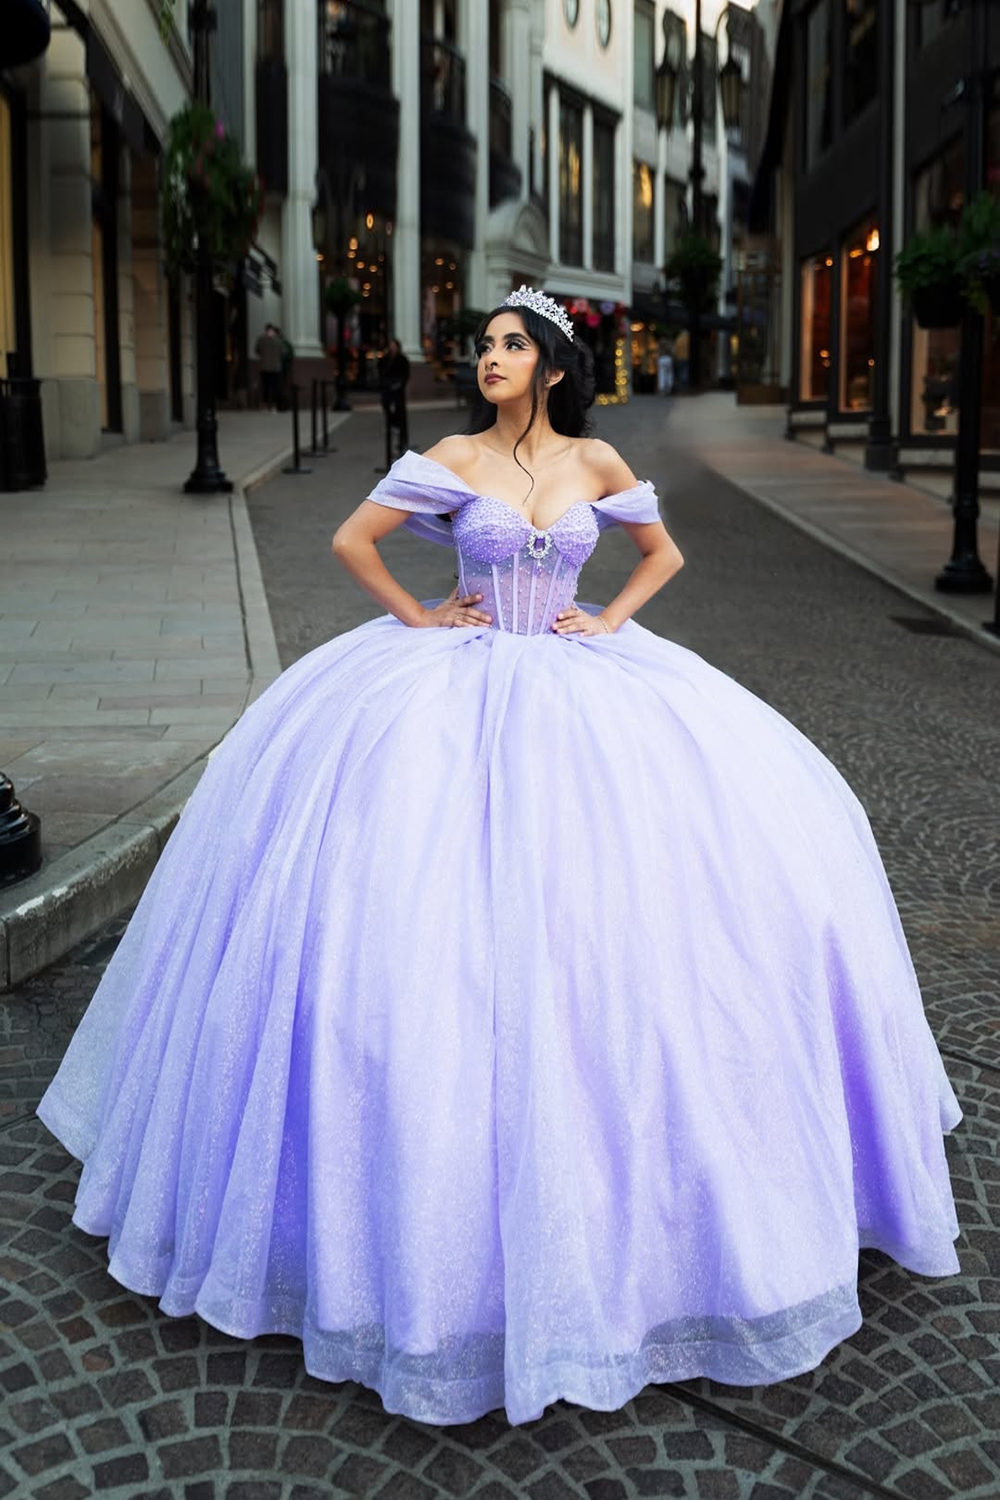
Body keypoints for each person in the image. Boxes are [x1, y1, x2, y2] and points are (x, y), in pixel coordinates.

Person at [37, 285, 960, 1430]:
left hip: (579, 680)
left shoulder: (596, 458)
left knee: (646, 913)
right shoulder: (449, 456)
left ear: (555, 364)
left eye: (512, 345)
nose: (490, 359)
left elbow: (661, 553)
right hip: (451, 682)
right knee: (423, 922)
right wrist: (422, 617)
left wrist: (611, 619)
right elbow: (351, 539)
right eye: (483, 345)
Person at [379, 335, 411, 452]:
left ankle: (403, 440)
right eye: (390, 345)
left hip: (398, 390)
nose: (391, 347)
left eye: (393, 345)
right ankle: (393, 424)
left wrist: (399, 384)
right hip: (387, 388)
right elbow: (381, 371)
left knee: (401, 412)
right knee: (386, 404)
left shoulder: (402, 359)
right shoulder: (386, 359)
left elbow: (405, 375)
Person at [254, 322, 282, 411]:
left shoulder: (261, 339)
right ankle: (273, 406)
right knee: (274, 387)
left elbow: (257, 350)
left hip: (265, 367)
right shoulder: (278, 340)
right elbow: (282, 352)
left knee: (266, 387)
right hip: (275, 367)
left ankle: (265, 405)